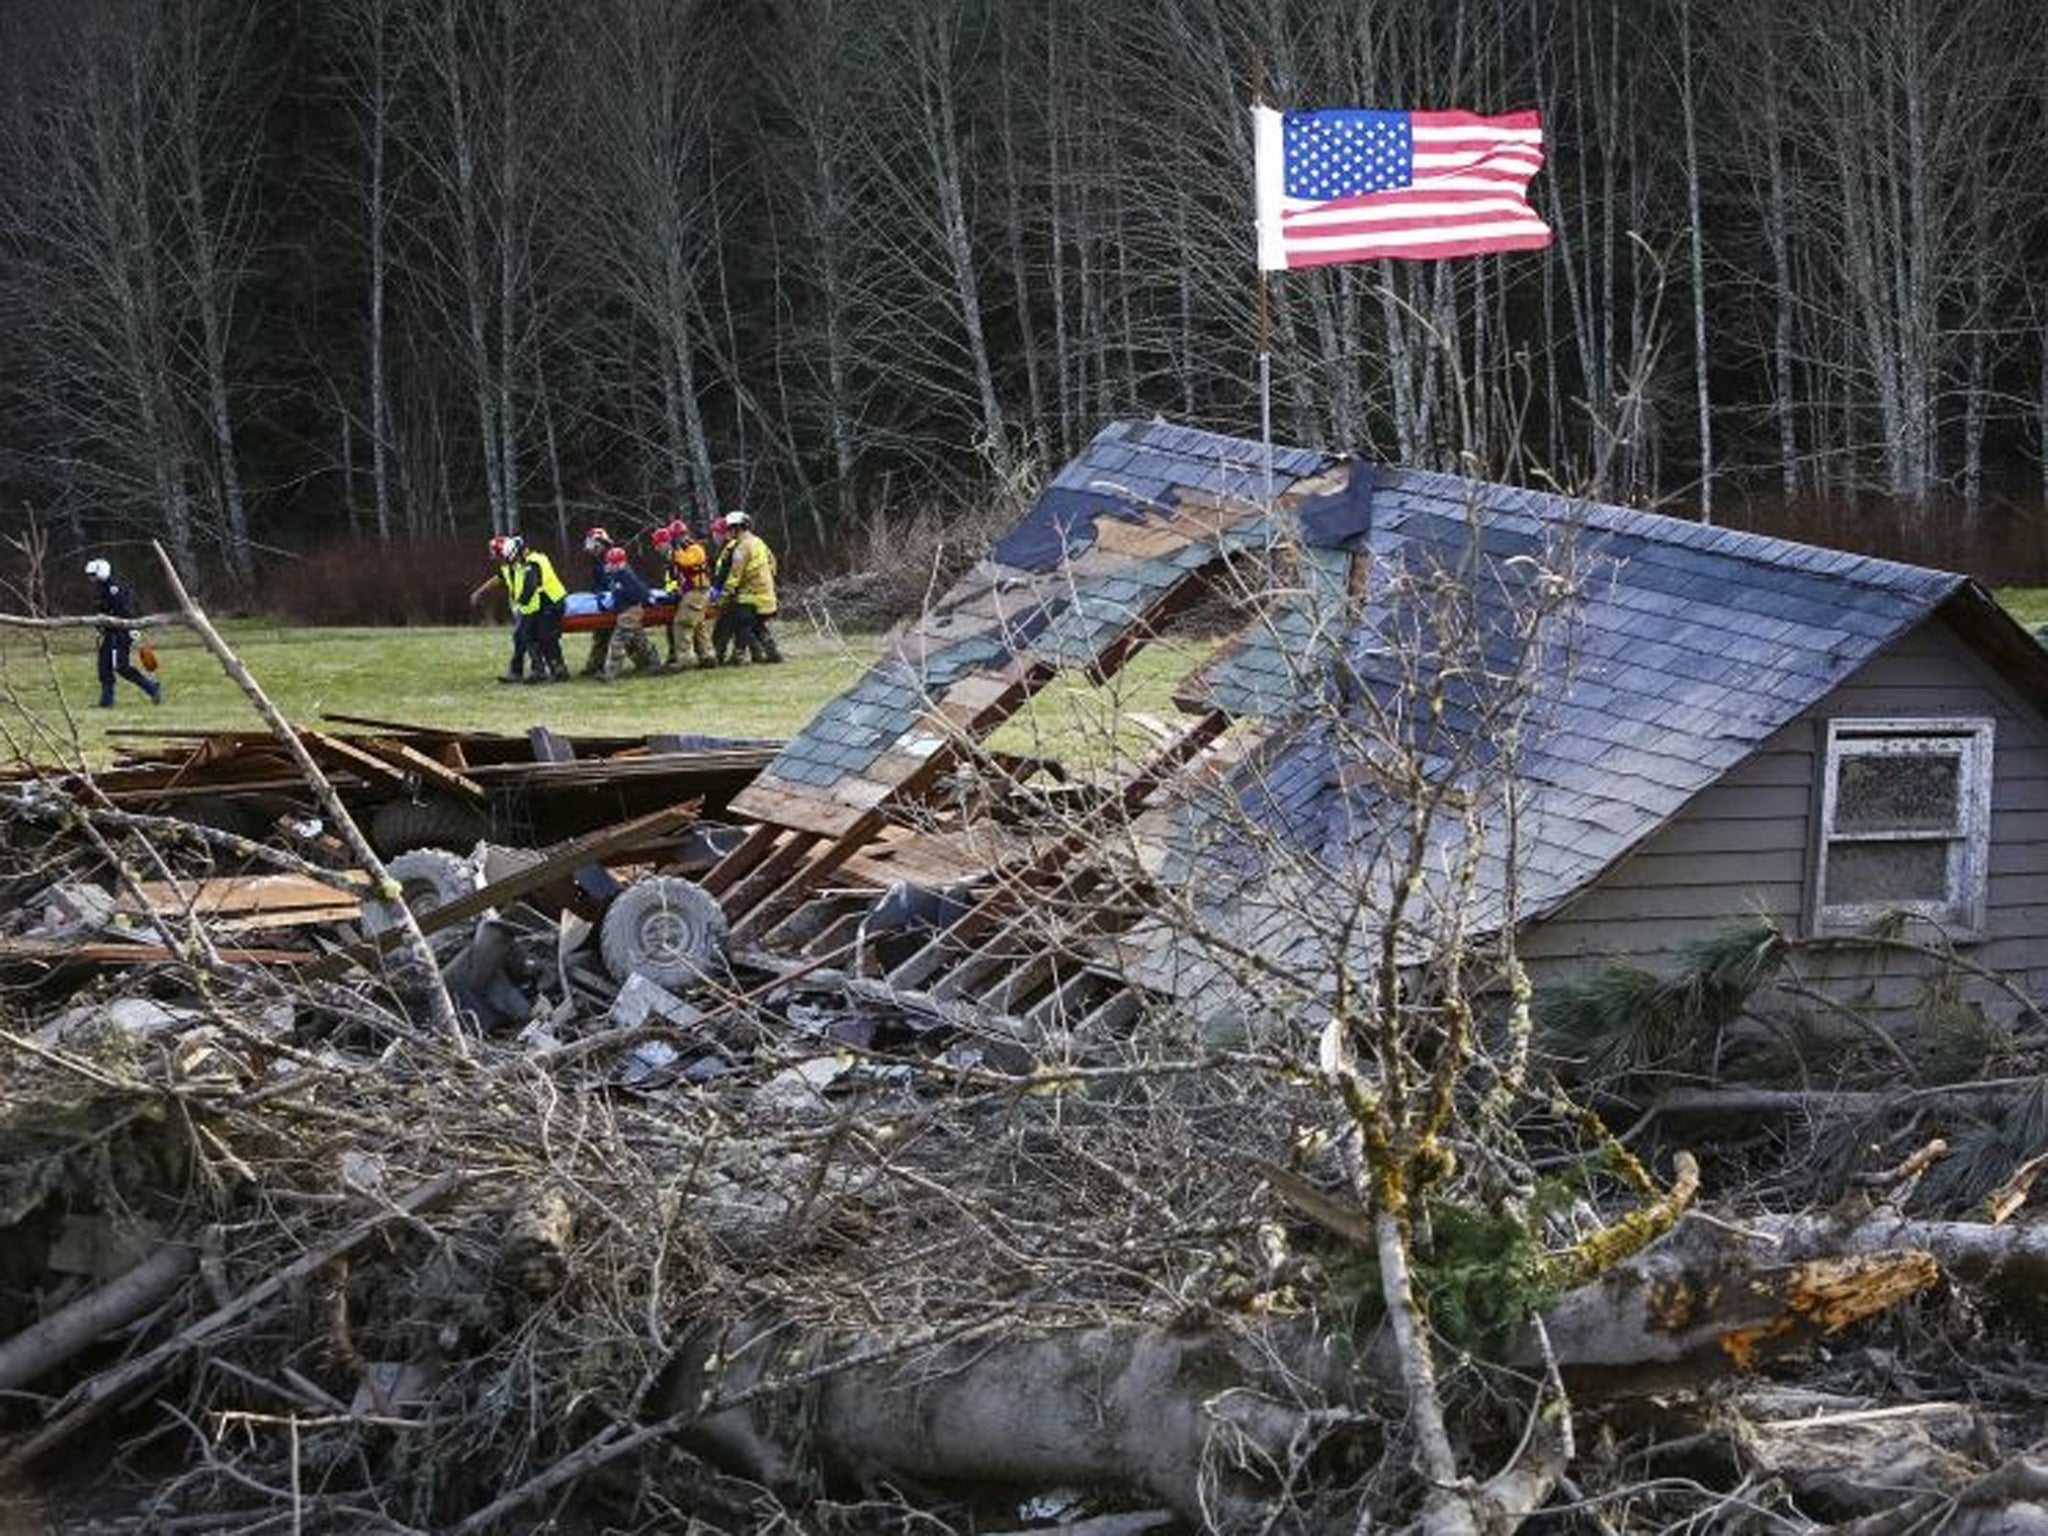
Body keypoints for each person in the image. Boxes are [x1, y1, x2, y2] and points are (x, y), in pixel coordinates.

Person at [85, 558, 163, 708]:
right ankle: (106, 701)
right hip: (109, 632)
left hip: (120, 632)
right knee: (104, 666)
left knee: (121, 666)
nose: (91, 578)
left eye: (93, 575)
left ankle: (152, 687)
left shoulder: (115, 588)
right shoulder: (102, 587)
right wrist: (99, 629)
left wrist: (132, 628)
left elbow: (124, 610)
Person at [713, 510, 782, 664]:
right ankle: (772, 652)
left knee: (741, 622)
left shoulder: (741, 548)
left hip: (750, 595)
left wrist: (722, 595)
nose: (728, 532)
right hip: (766, 594)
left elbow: (734, 576)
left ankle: (738, 656)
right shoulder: (758, 541)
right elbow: (773, 563)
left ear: (738, 528)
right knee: (756, 624)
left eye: (730, 528)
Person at [469, 535, 534, 683]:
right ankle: (523, 671)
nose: (497, 558)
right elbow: (497, 579)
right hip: (520, 607)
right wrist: (480, 591)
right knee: (522, 639)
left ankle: (527, 671)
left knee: (524, 638)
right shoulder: (507, 566)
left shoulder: (523, 564)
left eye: (498, 555)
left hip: (530, 607)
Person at [654, 518, 716, 669]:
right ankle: (707, 656)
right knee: (698, 625)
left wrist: (672, 552)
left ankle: (685, 660)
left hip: (697, 591)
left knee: (682, 623)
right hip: (694, 591)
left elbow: (687, 562)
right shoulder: (683, 550)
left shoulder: (694, 549)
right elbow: (675, 574)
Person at [508, 535, 570, 683]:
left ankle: (558, 670)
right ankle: (555, 670)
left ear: (521, 551)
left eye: (515, 555)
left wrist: (520, 603)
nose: (515, 559)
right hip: (549, 602)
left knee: (546, 637)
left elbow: (531, 586)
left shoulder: (532, 563)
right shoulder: (536, 558)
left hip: (551, 602)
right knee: (543, 636)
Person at [597, 545, 663, 681]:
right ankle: (655, 664)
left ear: (620, 563)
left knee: (618, 641)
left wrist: (649, 599)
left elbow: (640, 590)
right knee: (640, 640)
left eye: (612, 563)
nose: (609, 566)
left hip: (630, 612)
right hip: (627, 611)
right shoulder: (617, 576)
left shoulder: (625, 575)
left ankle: (610, 672)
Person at [578, 526, 617, 677]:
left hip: (615, 602)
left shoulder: (610, 558)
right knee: (601, 634)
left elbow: (612, 582)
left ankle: (648, 663)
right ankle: (595, 665)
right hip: (605, 602)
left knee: (629, 636)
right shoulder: (598, 560)